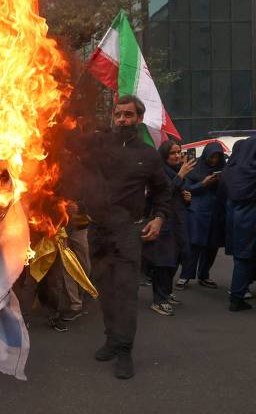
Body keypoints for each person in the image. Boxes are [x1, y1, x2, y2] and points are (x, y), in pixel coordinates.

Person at [79, 95, 170, 379]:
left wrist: (159, 217)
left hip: (128, 232)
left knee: (126, 293)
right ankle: (110, 339)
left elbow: (163, 191)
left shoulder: (148, 154)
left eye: (128, 115)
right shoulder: (98, 147)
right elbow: (77, 172)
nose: (122, 120)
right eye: (118, 115)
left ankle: (125, 351)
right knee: (105, 290)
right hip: (98, 230)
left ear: (139, 119)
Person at [146, 140, 194, 316]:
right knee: (163, 261)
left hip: (178, 222)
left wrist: (187, 198)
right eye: (173, 153)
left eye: (179, 152)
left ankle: (166, 292)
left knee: (176, 258)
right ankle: (159, 300)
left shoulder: (176, 171)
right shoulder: (158, 172)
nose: (177, 156)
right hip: (163, 222)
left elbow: (176, 195)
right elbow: (162, 193)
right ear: (164, 155)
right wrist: (180, 176)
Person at [177, 142, 226, 289]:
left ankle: (204, 275)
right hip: (198, 212)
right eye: (212, 157)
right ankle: (185, 276)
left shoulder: (224, 169)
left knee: (212, 247)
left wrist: (222, 181)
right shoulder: (195, 169)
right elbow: (186, 190)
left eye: (217, 157)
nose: (214, 160)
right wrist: (203, 184)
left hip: (216, 212)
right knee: (194, 246)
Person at [221, 137, 256, 311]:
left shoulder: (231, 170)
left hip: (235, 216)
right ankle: (237, 297)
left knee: (241, 257)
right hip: (250, 218)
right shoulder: (252, 172)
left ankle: (239, 293)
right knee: (244, 257)